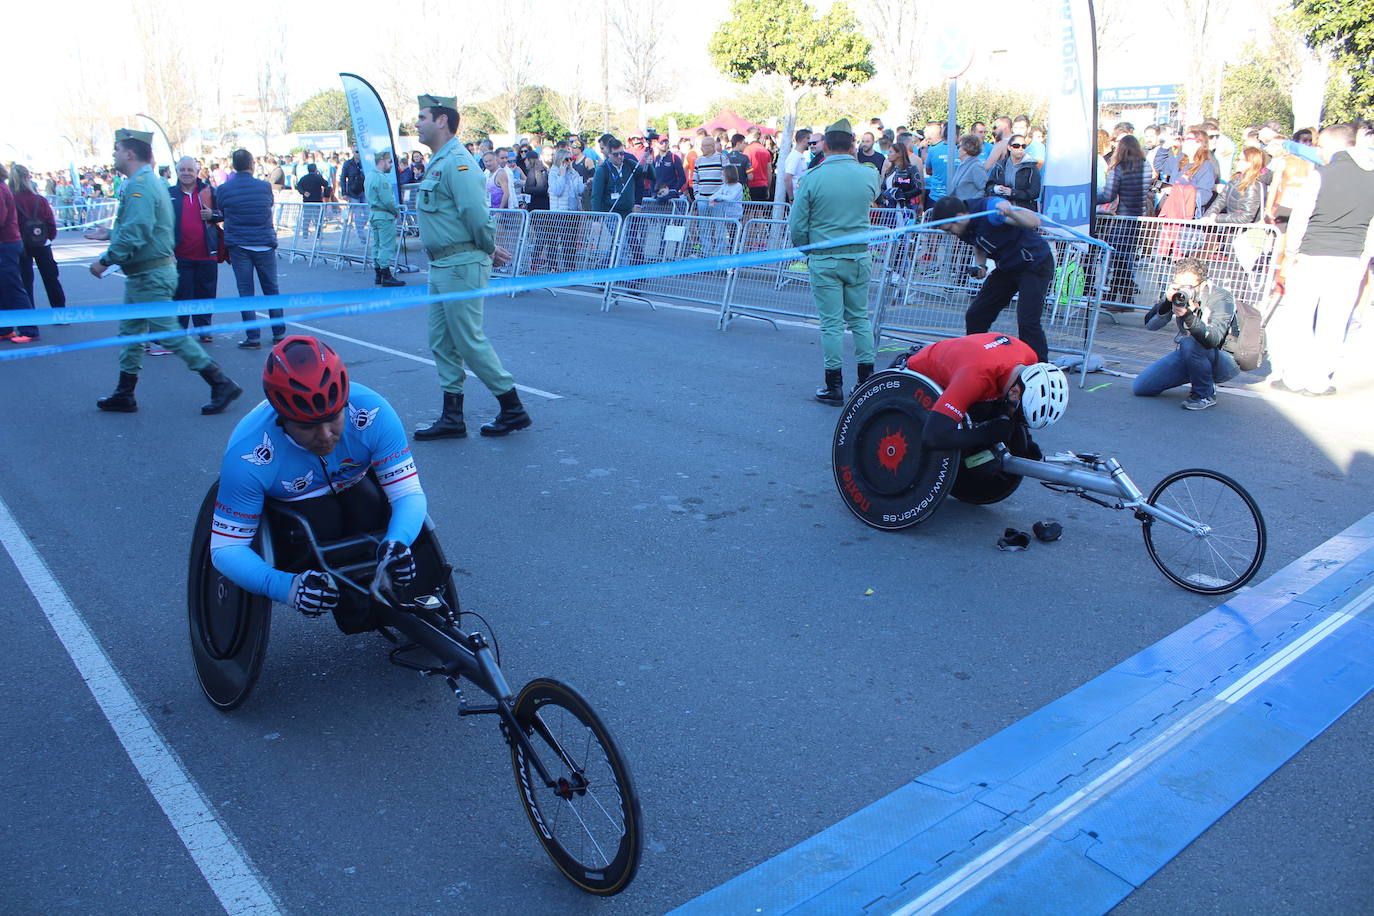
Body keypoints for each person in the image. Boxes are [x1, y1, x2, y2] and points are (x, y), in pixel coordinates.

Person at [209, 336, 427, 629]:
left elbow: (408, 493)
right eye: (306, 426)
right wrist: (286, 587)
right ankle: (354, 603)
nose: (325, 435)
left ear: (345, 402)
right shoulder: (248, 455)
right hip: (294, 516)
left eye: (333, 418)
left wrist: (398, 541)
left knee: (369, 504)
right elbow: (225, 549)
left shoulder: (373, 414)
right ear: (281, 419)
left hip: (354, 487)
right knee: (323, 521)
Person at [84, 129, 241, 414]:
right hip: (145, 273)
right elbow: (142, 227)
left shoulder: (141, 185)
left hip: (150, 274)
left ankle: (220, 382)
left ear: (129, 153)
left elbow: (137, 232)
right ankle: (124, 392)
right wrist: (110, 233)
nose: (114, 154)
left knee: (169, 333)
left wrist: (105, 261)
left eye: (116, 149)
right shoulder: (147, 183)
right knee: (130, 334)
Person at [411, 94, 530, 439]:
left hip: (461, 263)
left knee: (468, 340)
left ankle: (512, 407)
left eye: (422, 117)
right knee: (441, 341)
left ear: (442, 120)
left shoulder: (458, 162)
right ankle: (452, 417)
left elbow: (477, 215)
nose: (416, 123)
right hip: (443, 264)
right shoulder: (439, 161)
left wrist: (488, 248)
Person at [1272, 123, 1374, 397]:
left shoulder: (1322, 175)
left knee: (1300, 317)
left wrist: (1291, 252)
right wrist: (1365, 256)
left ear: (1332, 145)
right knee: (1334, 319)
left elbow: (1300, 218)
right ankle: (1318, 380)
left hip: (1312, 254)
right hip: (1351, 258)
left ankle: (1294, 377)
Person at [787, 119, 881, 404]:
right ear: (853, 144)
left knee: (831, 324)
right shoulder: (868, 174)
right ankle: (866, 382)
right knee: (860, 320)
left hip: (825, 259)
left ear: (825, 145)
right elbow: (873, 195)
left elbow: (797, 226)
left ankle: (834, 385)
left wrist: (808, 250)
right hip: (858, 256)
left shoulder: (813, 178)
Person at [929, 195, 1055, 362]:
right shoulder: (963, 226)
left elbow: (1034, 222)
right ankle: (978, 359)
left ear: (959, 218)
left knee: (1027, 321)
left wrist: (1010, 212)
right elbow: (978, 243)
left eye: (949, 230)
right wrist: (981, 266)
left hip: (1034, 264)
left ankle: (1040, 368)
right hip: (1008, 267)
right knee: (976, 314)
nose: (950, 234)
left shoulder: (990, 212)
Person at [902, 333, 1068, 452]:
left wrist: (1024, 440)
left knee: (994, 412)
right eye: (1019, 414)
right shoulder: (975, 378)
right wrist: (986, 434)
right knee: (982, 417)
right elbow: (933, 437)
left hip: (966, 366)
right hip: (914, 378)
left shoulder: (1029, 358)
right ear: (1015, 393)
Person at [1133, 257, 1239, 410]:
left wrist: (1188, 316)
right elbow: (1150, 325)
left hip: (1222, 359)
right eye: (1178, 284)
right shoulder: (1178, 295)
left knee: (1189, 342)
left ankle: (1204, 394)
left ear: (1202, 283)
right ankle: (1198, 376)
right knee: (1141, 387)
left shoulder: (1221, 297)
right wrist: (1167, 303)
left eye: (1187, 286)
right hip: (1190, 354)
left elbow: (1213, 340)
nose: (1182, 290)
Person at [217, 149, 286, 348]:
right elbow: (268, 205)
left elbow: (222, 210)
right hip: (263, 243)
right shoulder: (264, 187)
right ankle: (279, 333)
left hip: (239, 246)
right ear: (252, 165)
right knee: (271, 290)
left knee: (246, 292)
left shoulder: (224, 189)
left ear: (233, 166)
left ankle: (253, 337)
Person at [1096, 135, 1152, 306]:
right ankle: (1126, 297)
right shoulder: (1146, 166)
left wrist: (1090, 196)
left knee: (1116, 256)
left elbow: (1108, 195)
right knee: (1127, 257)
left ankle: (1112, 295)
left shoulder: (1119, 168)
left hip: (1121, 217)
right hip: (1138, 216)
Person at [169, 156, 219, 341]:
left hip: (206, 255)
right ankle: (179, 333)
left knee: (205, 294)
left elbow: (224, 213)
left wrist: (213, 214)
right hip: (180, 256)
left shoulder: (209, 191)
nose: (186, 173)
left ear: (197, 172)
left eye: (190, 170)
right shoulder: (169, 194)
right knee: (181, 295)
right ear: (177, 172)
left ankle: (204, 330)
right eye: (182, 170)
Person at [9, 164, 67, 320]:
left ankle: (30, 318)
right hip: (41, 242)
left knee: (25, 282)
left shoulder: (11, 199)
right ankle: (60, 314)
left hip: (20, 243)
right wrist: (49, 237)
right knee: (51, 279)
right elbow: (50, 221)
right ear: (28, 178)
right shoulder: (39, 200)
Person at [0, 163, 38, 342]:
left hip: (5, 243)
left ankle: (29, 330)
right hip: (8, 242)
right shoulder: (3, 187)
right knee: (5, 288)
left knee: (13, 287)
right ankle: (5, 328)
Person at [363, 150, 405, 288]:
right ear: (382, 161)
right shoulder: (381, 178)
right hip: (384, 215)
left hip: (374, 214)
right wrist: (396, 211)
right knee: (386, 245)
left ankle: (378, 274)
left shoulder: (369, 176)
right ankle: (386, 274)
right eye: (390, 161)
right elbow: (387, 200)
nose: (392, 165)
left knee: (377, 245)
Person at [1199, 147, 1266, 225]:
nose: (1236, 162)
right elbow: (1222, 199)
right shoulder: (1236, 179)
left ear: (1250, 163)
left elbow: (1246, 217)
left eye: (1239, 159)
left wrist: (1217, 218)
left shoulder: (1254, 186)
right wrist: (1208, 216)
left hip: (1243, 232)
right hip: (1232, 228)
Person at [985, 135, 1042, 211]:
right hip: (1002, 210)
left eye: (1023, 146)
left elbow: (1035, 192)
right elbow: (988, 187)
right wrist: (996, 189)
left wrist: (1012, 192)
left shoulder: (1032, 167)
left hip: (1023, 211)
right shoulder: (1000, 165)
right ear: (1009, 147)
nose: (1020, 149)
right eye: (1016, 146)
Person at [590, 137, 639, 218]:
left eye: (622, 153)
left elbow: (649, 175)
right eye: (616, 154)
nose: (620, 156)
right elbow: (596, 197)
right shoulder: (602, 170)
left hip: (628, 214)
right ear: (609, 154)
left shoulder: (629, 164)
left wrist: (648, 163)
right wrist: (596, 219)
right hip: (611, 216)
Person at [743, 127, 773, 201]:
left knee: (750, 210)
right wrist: (768, 188)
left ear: (751, 135)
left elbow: (745, 167)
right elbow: (769, 171)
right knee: (760, 210)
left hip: (751, 185)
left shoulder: (748, 149)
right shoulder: (765, 151)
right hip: (763, 185)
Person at [782, 129, 811, 202]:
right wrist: (792, 198)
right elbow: (787, 178)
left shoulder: (799, 156)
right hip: (797, 197)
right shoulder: (795, 156)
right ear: (805, 140)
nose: (811, 143)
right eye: (810, 139)